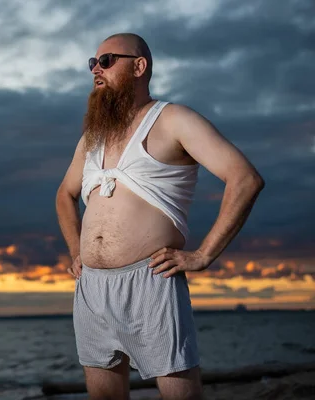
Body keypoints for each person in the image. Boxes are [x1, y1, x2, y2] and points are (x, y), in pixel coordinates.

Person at [55, 33, 264, 400]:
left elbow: (244, 178)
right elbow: (65, 194)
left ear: (139, 66)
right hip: (91, 287)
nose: (95, 70)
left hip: (151, 279)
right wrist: (77, 250)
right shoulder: (93, 136)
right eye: (93, 63)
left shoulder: (173, 119)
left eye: (106, 61)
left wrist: (203, 255)